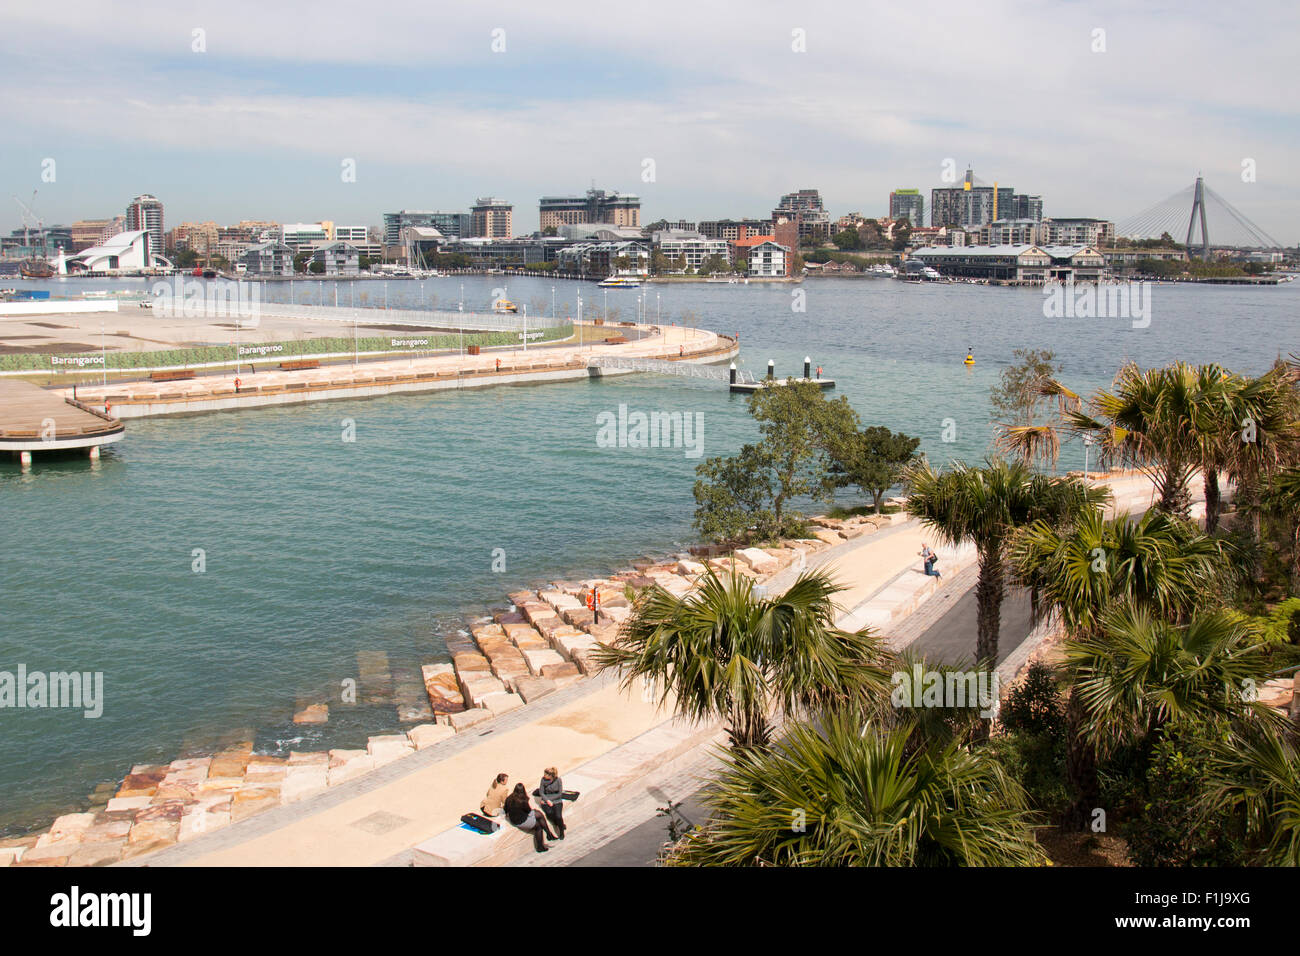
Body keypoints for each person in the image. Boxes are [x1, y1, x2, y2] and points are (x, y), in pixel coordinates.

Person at [504, 782, 557, 853]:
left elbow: (505, 809)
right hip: (520, 821)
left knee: (539, 814)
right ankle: (540, 847)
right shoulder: (522, 801)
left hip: (514, 818)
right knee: (538, 827)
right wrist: (533, 811)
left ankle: (549, 834)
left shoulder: (509, 798)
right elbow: (528, 811)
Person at [536, 767, 566, 839]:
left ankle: (561, 831)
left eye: (546, 774)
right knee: (549, 813)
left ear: (551, 775)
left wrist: (549, 800)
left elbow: (559, 793)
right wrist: (547, 800)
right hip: (546, 800)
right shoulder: (543, 780)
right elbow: (541, 792)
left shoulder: (558, 780)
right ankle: (559, 824)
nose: (544, 775)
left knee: (558, 816)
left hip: (556, 800)